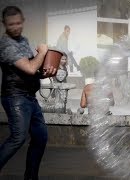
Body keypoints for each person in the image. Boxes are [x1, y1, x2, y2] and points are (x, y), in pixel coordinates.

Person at [0, 6, 56, 179]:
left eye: (18, 23)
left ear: (23, 21)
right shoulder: (5, 44)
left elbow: (34, 69)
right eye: (11, 24)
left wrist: (45, 71)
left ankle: (31, 177)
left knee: (40, 137)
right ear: (4, 24)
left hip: (30, 98)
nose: (15, 27)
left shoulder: (23, 41)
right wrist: (43, 51)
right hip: (15, 97)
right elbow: (31, 68)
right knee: (18, 137)